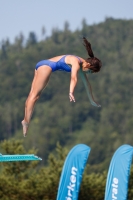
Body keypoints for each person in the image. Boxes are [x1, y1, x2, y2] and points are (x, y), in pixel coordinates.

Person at [21, 37, 102, 137]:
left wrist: (92, 100)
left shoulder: (82, 64)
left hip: (42, 65)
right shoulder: (76, 63)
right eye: (90, 71)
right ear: (88, 65)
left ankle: (26, 121)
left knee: (32, 95)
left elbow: (87, 84)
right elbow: (73, 78)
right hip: (47, 67)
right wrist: (71, 92)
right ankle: (26, 122)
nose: (89, 73)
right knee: (34, 96)